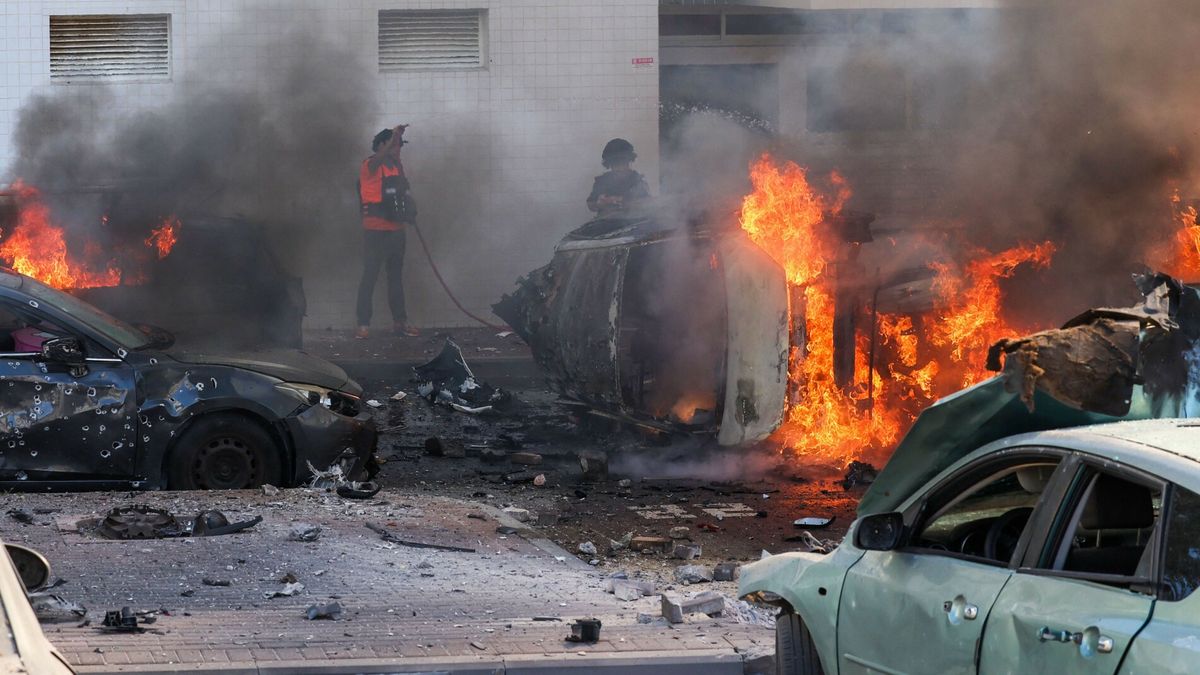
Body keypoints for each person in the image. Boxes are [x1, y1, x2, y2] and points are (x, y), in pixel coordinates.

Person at [356, 125, 418, 339]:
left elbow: (396, 158)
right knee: (370, 277)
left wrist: (398, 137)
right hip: (375, 231)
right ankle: (363, 325)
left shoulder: (396, 167)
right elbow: (380, 157)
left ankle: (400, 322)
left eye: (399, 146)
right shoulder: (370, 165)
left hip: (396, 231)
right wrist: (392, 138)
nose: (397, 148)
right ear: (382, 145)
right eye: (393, 145)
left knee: (395, 279)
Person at [587, 138, 650, 217]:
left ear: (629, 161)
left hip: (632, 223)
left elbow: (647, 203)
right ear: (609, 164)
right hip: (606, 224)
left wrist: (623, 202)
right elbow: (591, 204)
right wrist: (599, 203)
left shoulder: (637, 179)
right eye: (616, 164)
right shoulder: (602, 181)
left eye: (623, 163)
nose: (620, 168)